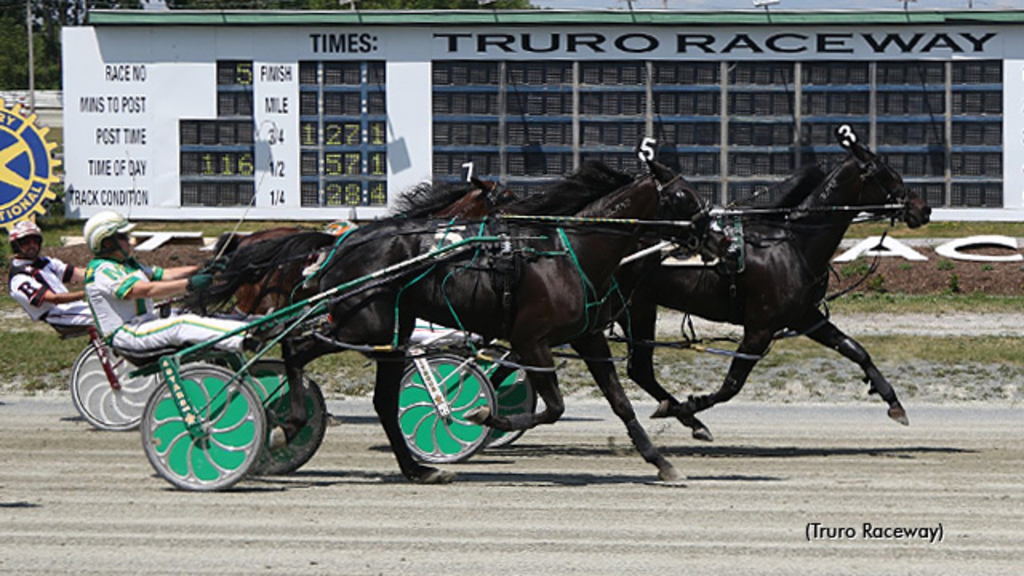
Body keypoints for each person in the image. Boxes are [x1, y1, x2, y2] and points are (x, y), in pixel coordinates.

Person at [82, 210, 248, 356]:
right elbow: (145, 290)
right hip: (127, 335)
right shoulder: (102, 271)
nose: (130, 240)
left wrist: (203, 267)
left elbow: (164, 275)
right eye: (123, 237)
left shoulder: (126, 265)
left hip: (144, 323)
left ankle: (251, 323)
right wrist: (190, 284)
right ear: (107, 243)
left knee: (190, 313)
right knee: (182, 324)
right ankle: (245, 337)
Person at [7, 219, 94, 333]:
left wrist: (103, 274)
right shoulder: (18, 277)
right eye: (25, 242)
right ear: (16, 245)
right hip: (58, 314)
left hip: (73, 307)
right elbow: (53, 298)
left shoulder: (45, 262)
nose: (32, 245)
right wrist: (86, 293)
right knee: (108, 318)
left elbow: (76, 273)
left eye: (35, 241)